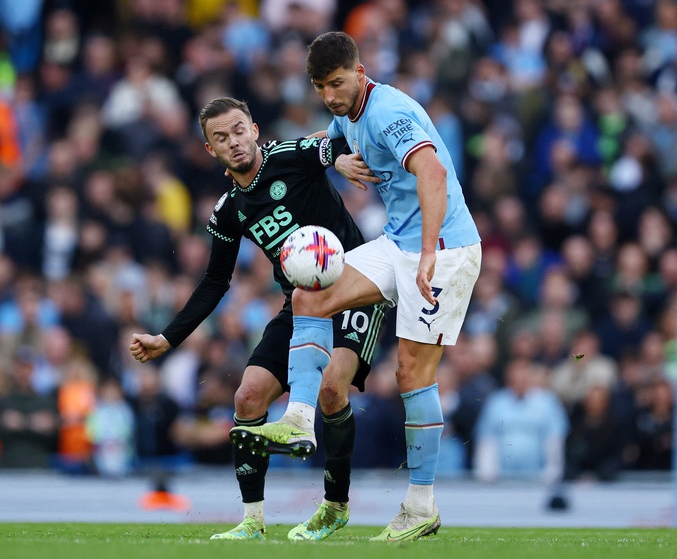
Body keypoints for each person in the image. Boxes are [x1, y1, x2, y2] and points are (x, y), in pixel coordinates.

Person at [232, 31, 482, 542]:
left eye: (338, 83)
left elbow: (431, 172)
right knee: (309, 294)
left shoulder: (388, 111)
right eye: (321, 86)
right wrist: (337, 159)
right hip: (397, 241)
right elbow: (326, 145)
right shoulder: (347, 113)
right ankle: (300, 417)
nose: (330, 95)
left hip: (446, 250)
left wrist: (430, 251)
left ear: (360, 72)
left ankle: (420, 504)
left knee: (412, 372)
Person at [129, 97, 385, 541]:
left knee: (330, 391)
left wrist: (341, 161)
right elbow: (214, 283)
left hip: (356, 290)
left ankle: (335, 506)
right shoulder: (229, 210)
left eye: (239, 130)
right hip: (300, 304)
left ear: (254, 128)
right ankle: (252, 521)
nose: (234, 142)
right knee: (247, 399)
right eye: (221, 138)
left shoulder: (288, 156)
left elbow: (332, 139)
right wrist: (167, 339)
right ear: (211, 150)